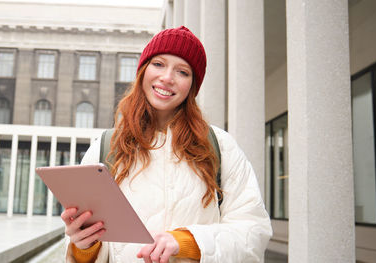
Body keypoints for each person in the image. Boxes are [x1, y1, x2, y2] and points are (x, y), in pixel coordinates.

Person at [61, 26, 272, 263]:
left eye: (182, 71)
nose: (167, 78)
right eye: (159, 64)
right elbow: (89, 247)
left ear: (193, 85)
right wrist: (83, 247)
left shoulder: (220, 146)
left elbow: (253, 233)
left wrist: (187, 242)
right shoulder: (108, 146)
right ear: (143, 70)